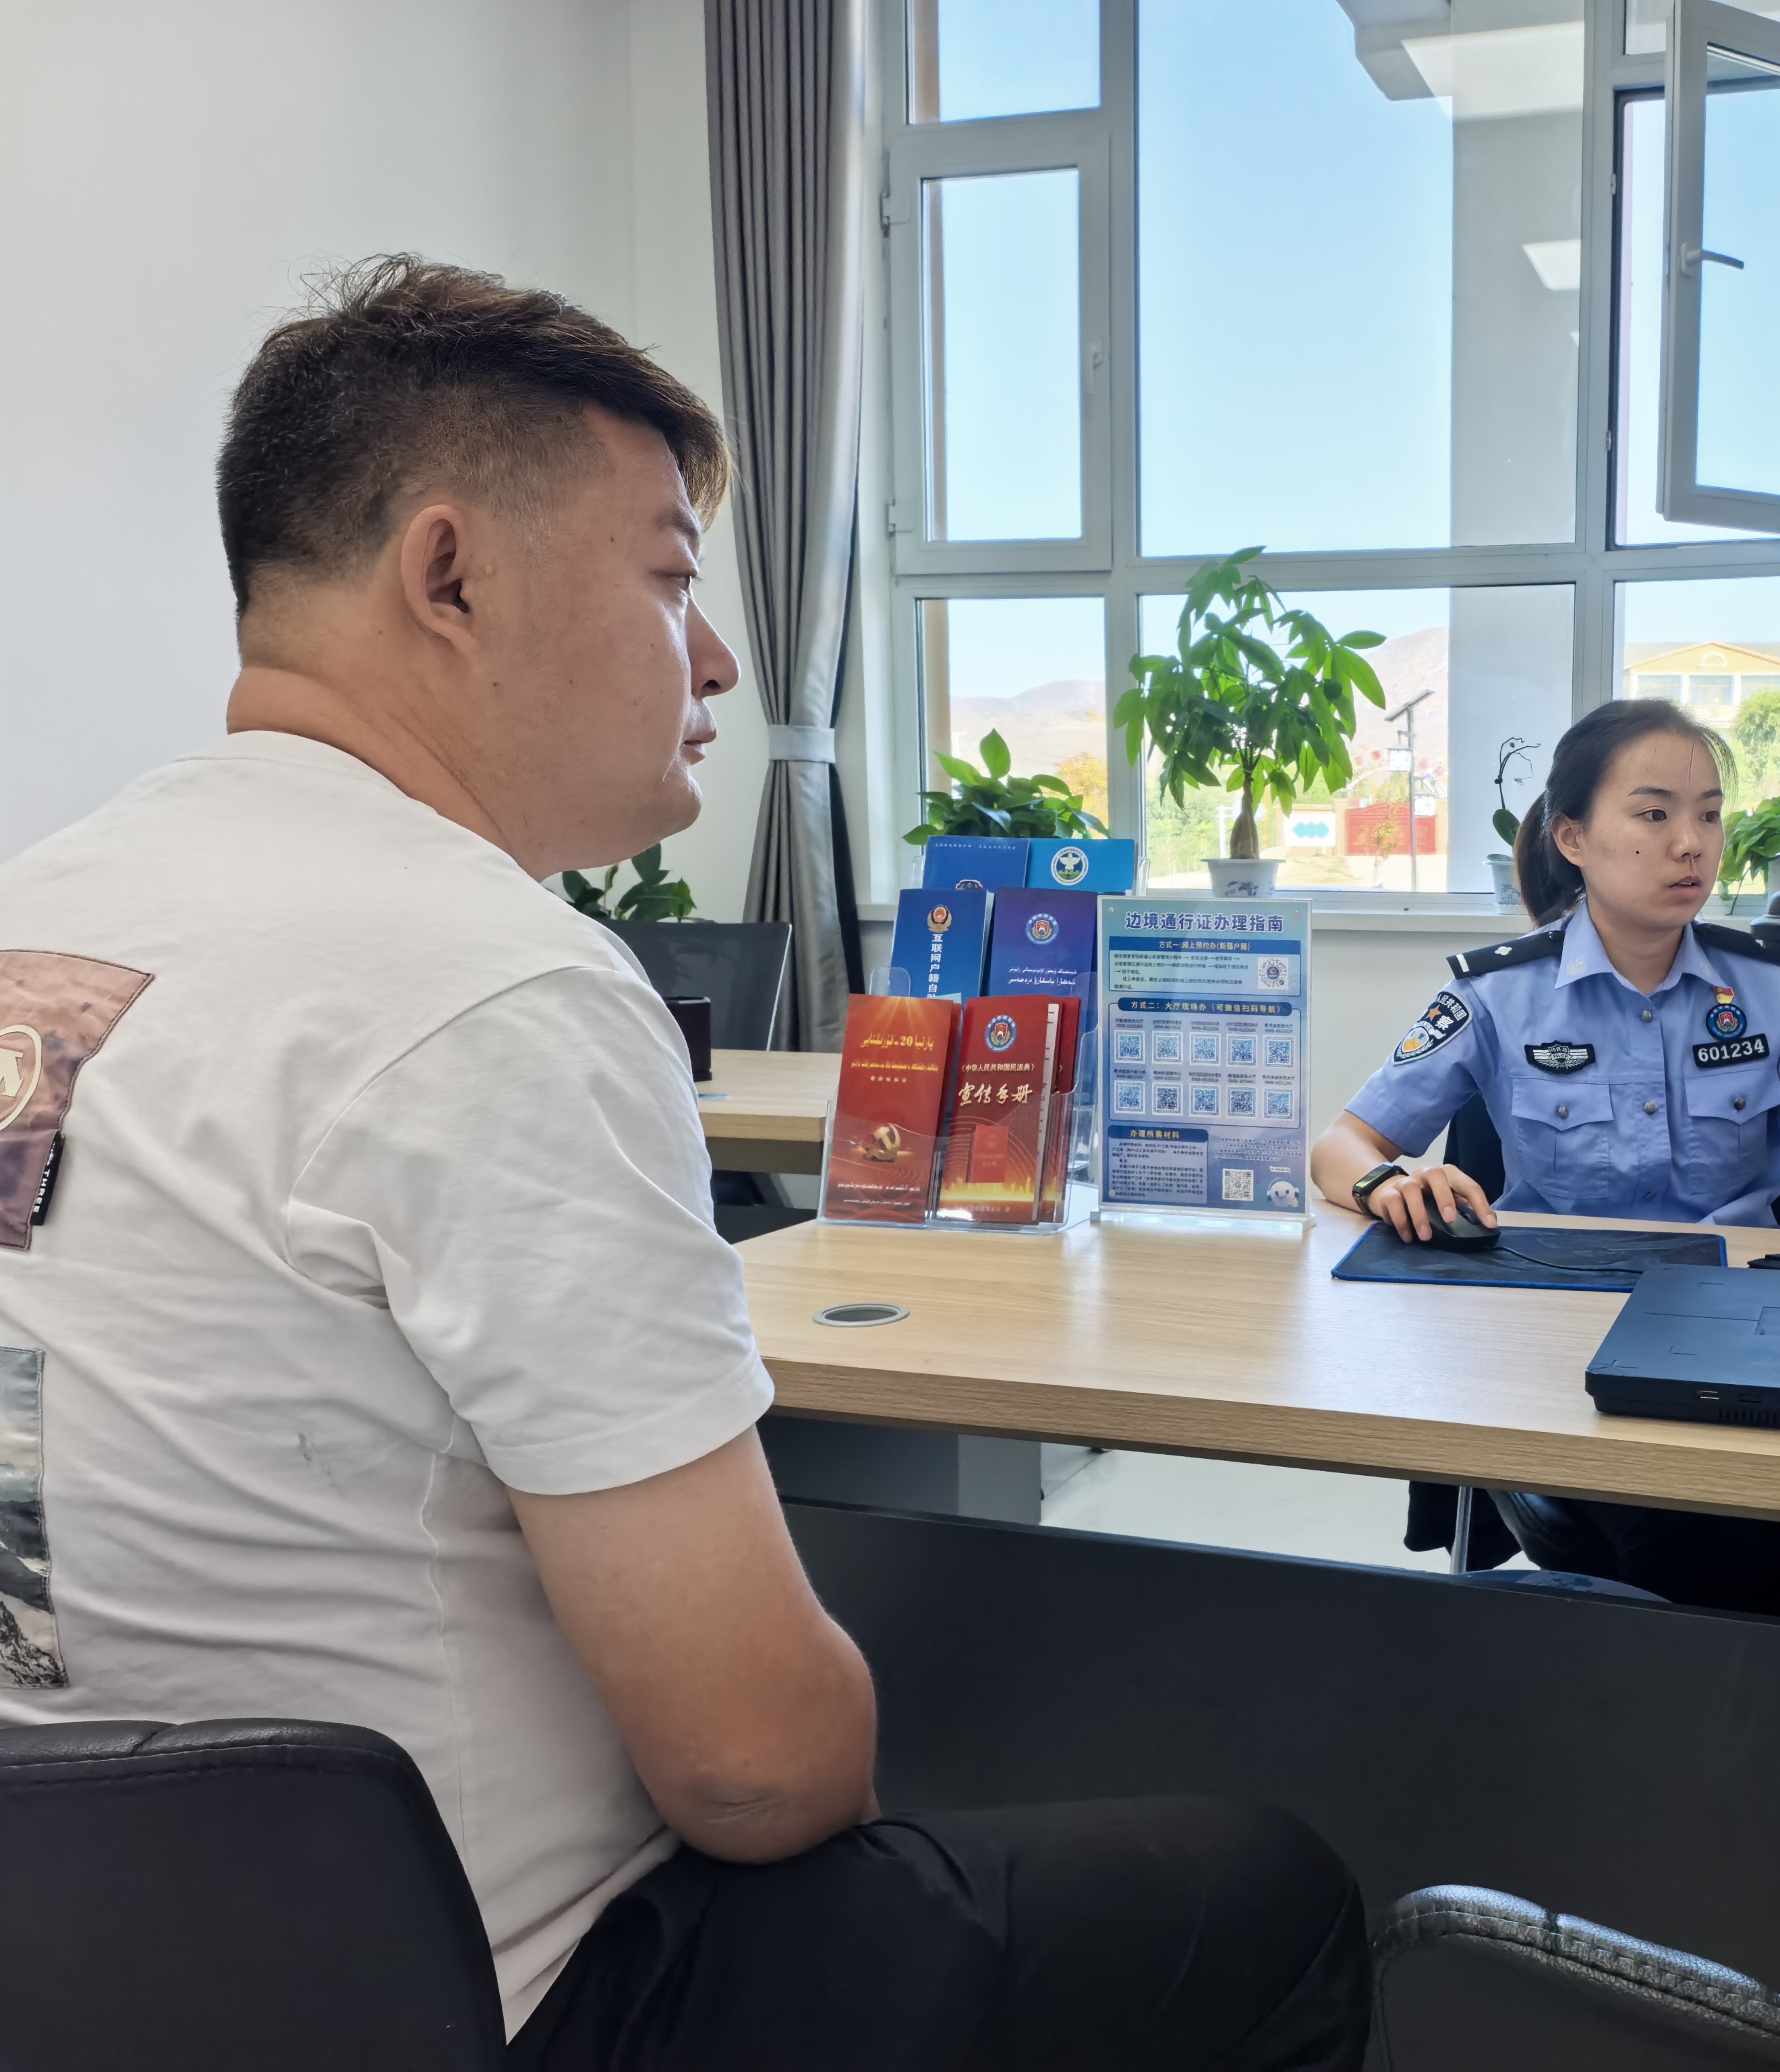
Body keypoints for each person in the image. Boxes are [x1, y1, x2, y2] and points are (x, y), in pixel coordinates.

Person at [0, 257, 1365, 2069]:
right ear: (450, 575)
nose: (715, 656)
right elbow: (758, 1770)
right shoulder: (489, 982)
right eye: (667, 577)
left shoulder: (46, 902)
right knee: (1268, 1898)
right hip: (499, 2003)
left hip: (70, 1979)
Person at [1309, 699, 1780, 1632]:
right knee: (1693, 1539)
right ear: (1573, 838)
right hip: (1569, 1338)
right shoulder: (1499, 994)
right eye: (1654, 814)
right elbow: (1341, 1147)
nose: (1691, 844)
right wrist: (1388, 1184)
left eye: (1707, 814)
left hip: (1754, 1326)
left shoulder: (1772, 984)